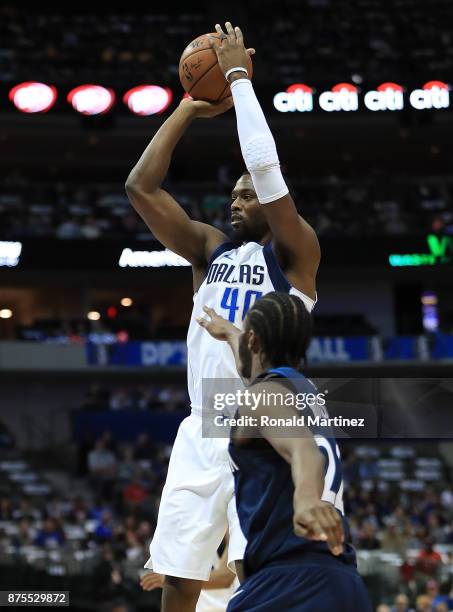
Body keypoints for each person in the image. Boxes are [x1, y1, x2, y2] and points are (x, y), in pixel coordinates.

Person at [125, 21, 320, 612]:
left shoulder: (296, 252)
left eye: (247, 196)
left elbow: (266, 170)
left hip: (264, 425)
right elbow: (141, 185)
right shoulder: (210, 250)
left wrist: (237, 80)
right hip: (201, 425)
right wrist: (189, 108)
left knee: (252, 575)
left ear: (274, 202)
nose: (236, 203)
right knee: (179, 578)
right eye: (231, 198)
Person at [197, 291, 371, 610]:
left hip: (288, 586)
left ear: (254, 341)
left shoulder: (261, 397)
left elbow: (303, 449)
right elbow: (253, 370)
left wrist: (305, 500)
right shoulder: (302, 391)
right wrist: (230, 333)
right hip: (344, 584)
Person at [140, 536, 238, 612]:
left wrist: (174, 579)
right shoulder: (172, 532)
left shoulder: (227, 520)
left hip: (228, 607)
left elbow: (224, 578)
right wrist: (172, 580)